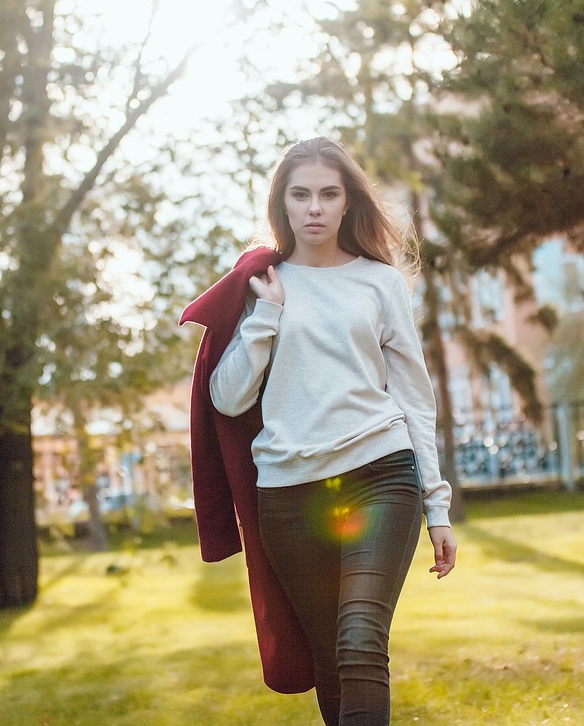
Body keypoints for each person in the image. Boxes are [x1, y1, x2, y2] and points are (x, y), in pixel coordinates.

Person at [207, 136, 457, 725]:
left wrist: (437, 506)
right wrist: (266, 315)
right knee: (329, 659)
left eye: (328, 194)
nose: (314, 207)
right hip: (290, 493)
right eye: (301, 195)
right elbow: (228, 396)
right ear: (282, 205)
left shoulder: (380, 283)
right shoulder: (259, 285)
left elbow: (415, 399)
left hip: (380, 474)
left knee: (359, 641)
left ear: (348, 203)